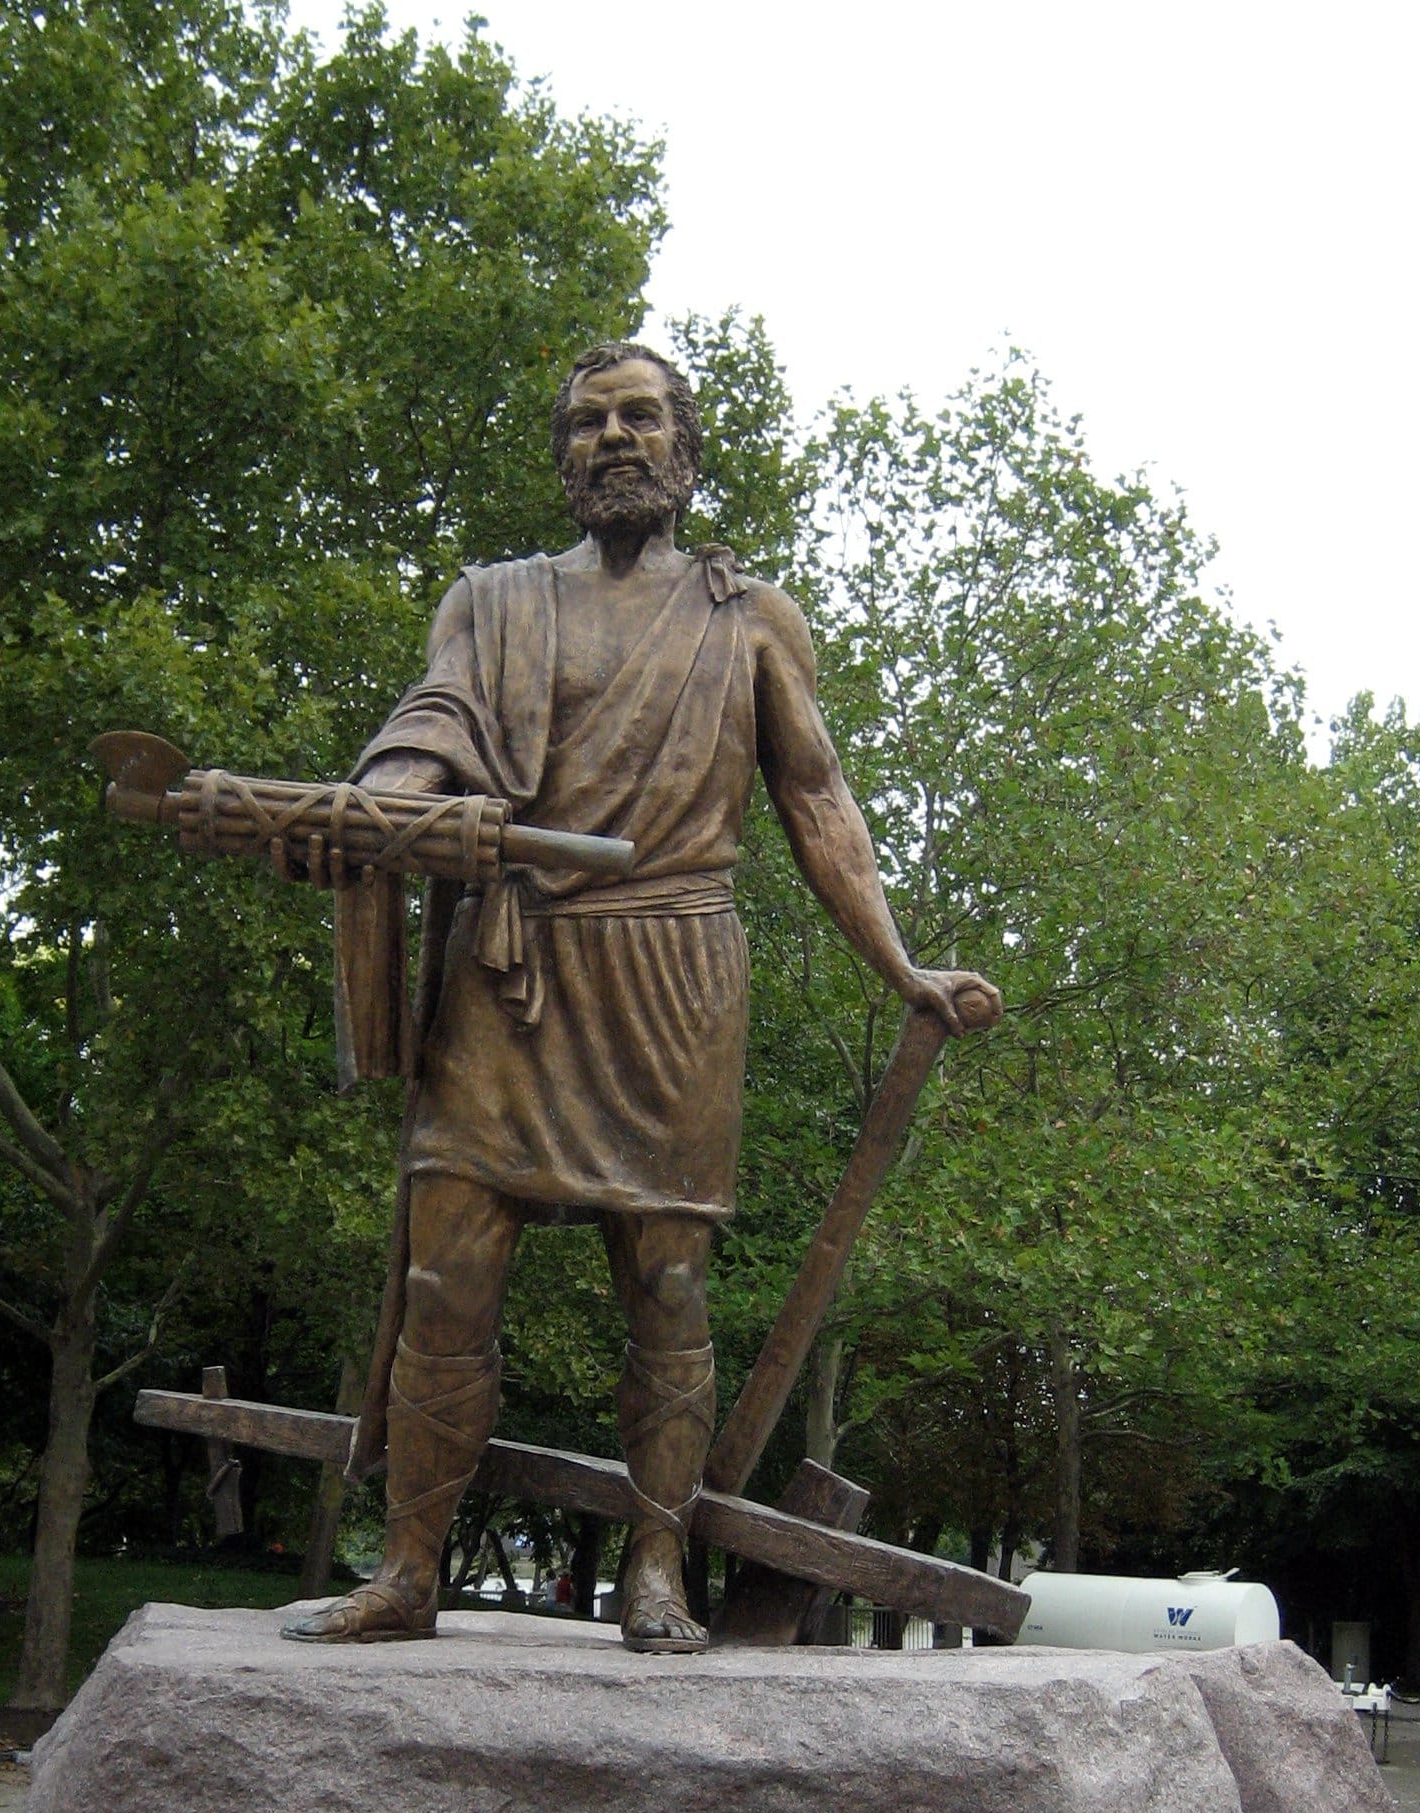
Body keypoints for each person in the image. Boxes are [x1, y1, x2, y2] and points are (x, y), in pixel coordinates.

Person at [288, 342, 999, 1655]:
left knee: (667, 1289)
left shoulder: (749, 619)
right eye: (587, 423)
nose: (613, 440)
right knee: (445, 1278)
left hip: (671, 971)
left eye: (639, 418)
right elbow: (427, 737)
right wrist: (358, 820)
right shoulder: (490, 602)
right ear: (562, 457)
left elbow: (816, 798)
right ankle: (405, 1568)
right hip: (505, 973)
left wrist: (899, 965)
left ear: (686, 448)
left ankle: (658, 1565)